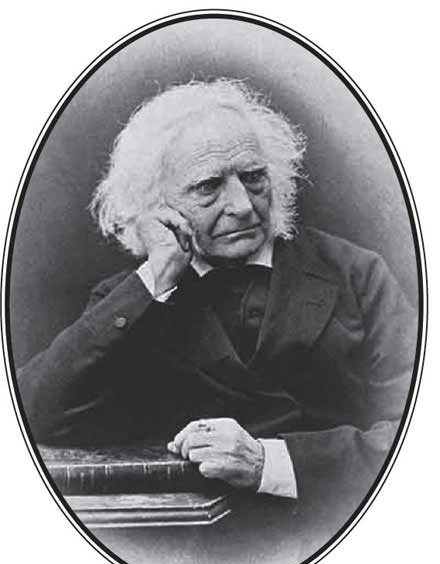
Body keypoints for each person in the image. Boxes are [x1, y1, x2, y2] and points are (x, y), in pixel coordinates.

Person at [17, 79, 417, 521]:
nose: (242, 205)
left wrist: (272, 464)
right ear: (156, 205)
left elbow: (419, 433)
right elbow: (32, 415)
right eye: (208, 187)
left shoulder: (356, 275)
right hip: (184, 545)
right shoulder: (131, 300)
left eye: (253, 177)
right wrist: (154, 277)